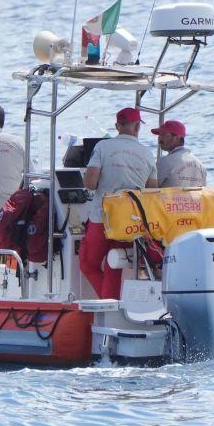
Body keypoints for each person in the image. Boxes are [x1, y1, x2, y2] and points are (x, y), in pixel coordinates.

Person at [79, 107, 158, 299]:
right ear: (138, 127)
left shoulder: (102, 147)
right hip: (130, 221)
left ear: (117, 126)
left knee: (88, 264)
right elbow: (153, 192)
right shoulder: (147, 153)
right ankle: (113, 307)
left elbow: (90, 183)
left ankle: (110, 305)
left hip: (102, 218)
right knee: (113, 266)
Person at [152, 120, 207, 188]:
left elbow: (150, 189)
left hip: (169, 198)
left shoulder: (164, 161)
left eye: (163, 135)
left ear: (177, 138)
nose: (159, 139)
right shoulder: (200, 165)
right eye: (159, 135)